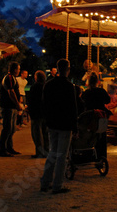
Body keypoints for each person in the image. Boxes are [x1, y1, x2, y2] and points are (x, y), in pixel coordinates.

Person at [40, 59, 78, 194]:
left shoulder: (49, 85)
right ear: (67, 70)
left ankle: (45, 181)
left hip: (52, 122)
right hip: (65, 124)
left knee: (52, 152)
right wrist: (75, 126)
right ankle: (57, 184)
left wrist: (47, 120)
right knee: (62, 155)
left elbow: (44, 104)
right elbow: (72, 107)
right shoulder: (68, 86)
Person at [0, 62, 21, 157]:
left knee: (11, 129)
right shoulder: (9, 78)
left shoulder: (12, 78)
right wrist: (17, 104)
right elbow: (11, 91)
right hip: (8, 106)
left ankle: (9, 147)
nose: (19, 70)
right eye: (18, 69)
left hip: (11, 107)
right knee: (7, 128)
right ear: (15, 69)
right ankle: (2, 150)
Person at [27, 70, 48, 158]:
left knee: (37, 134)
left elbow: (31, 100)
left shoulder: (35, 87)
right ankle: (46, 151)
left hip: (36, 113)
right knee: (45, 133)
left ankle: (40, 152)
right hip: (45, 113)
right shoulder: (46, 86)